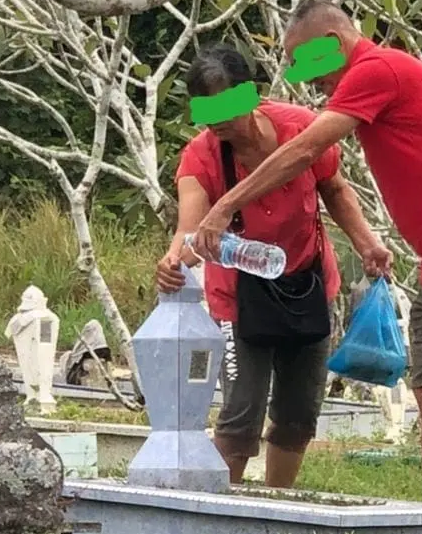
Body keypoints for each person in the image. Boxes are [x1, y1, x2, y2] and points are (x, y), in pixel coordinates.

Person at [182, 1, 422, 506]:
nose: (307, 81)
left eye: (308, 63)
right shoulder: (208, 148)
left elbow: (308, 156)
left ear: (335, 40)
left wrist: (226, 208)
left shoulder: (377, 68)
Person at [156, 42, 389, 489]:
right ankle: (220, 516)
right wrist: (174, 261)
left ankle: (278, 506)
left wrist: (366, 243)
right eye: (208, 111)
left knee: (298, 411)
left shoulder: (299, 130)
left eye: (227, 105)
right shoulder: (201, 156)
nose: (219, 121)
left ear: (249, 94)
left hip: (306, 285)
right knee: (241, 410)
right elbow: (190, 228)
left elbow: (335, 190)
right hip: (239, 298)